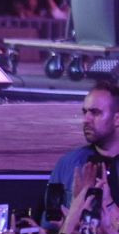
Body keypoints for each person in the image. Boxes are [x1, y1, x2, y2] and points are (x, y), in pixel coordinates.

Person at [49, 80, 119, 208]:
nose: (86, 120)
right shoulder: (67, 164)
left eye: (95, 112)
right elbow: (50, 223)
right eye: (84, 112)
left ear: (117, 119)